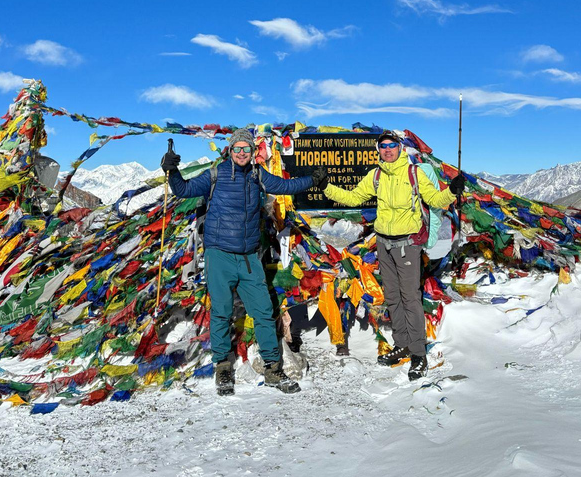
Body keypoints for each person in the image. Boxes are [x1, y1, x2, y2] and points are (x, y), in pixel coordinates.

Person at [163, 128, 327, 395]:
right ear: (230, 150)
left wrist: (313, 180)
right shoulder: (215, 175)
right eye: (237, 148)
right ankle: (223, 369)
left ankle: (273, 370)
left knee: (263, 311)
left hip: (250, 257)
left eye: (246, 149)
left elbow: (285, 186)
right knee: (221, 313)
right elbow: (184, 190)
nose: (241, 153)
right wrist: (172, 171)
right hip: (219, 256)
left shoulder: (257, 175)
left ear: (252, 152)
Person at [320, 130, 465, 381]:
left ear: (400, 148)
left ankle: (419, 353)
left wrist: (452, 191)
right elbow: (353, 197)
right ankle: (403, 345)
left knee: (410, 297)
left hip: (408, 244)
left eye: (392, 145)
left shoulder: (415, 173)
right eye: (383, 146)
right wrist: (326, 187)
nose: (387, 150)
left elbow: (435, 199)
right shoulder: (376, 175)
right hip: (384, 245)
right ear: (379, 150)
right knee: (392, 297)